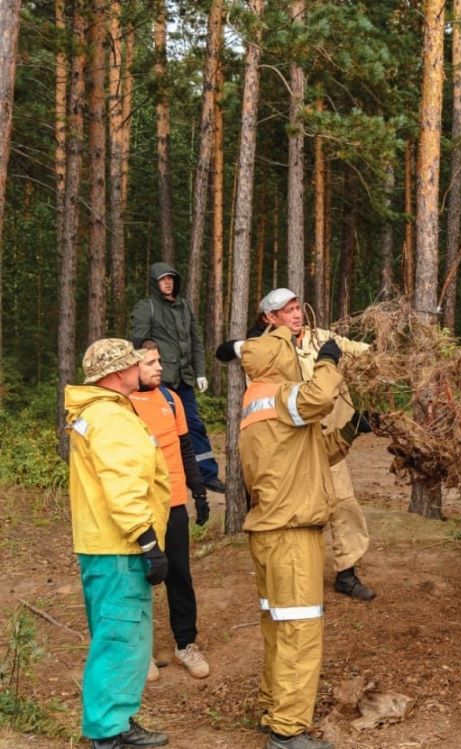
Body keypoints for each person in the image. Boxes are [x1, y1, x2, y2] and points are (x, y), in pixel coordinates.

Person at [218, 288, 376, 601]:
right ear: (270, 317)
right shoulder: (265, 350)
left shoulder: (321, 338)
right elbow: (227, 352)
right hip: (291, 446)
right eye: (287, 310)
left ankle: (347, 572)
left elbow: (364, 352)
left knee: (343, 503)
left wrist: (379, 347)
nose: (296, 314)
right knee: (301, 512)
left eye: (297, 307)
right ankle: (300, 580)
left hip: (329, 438)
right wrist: (238, 345)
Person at [238, 320, 346, 749]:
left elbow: (309, 452)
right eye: (289, 349)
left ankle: (273, 706)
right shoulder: (281, 396)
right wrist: (329, 361)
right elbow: (320, 395)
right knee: (300, 631)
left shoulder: (258, 404)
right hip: (291, 536)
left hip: (270, 532)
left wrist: (354, 431)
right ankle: (287, 732)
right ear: (276, 359)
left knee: (278, 626)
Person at [64, 338, 172, 749]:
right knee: (121, 638)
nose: (140, 367)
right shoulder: (110, 417)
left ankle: (117, 721)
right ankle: (108, 733)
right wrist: (147, 541)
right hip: (120, 547)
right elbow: (123, 483)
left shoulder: (102, 412)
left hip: (107, 545)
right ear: (116, 373)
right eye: (133, 363)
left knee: (122, 638)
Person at [129, 340, 211, 681]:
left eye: (159, 361)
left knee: (180, 574)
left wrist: (199, 491)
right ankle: (140, 652)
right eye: (150, 363)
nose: (158, 367)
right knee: (139, 578)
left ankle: (185, 644)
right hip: (141, 507)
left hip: (175, 502)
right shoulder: (124, 404)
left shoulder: (170, 398)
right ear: (132, 369)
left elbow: (185, 446)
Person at [131, 262, 225, 494]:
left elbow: (196, 341)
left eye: (170, 278)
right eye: (162, 278)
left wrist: (200, 372)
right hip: (160, 379)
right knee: (159, 429)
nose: (167, 282)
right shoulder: (147, 307)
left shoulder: (184, 307)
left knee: (193, 426)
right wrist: (147, 371)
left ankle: (207, 475)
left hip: (184, 379)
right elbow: (137, 342)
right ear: (155, 282)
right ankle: (161, 476)